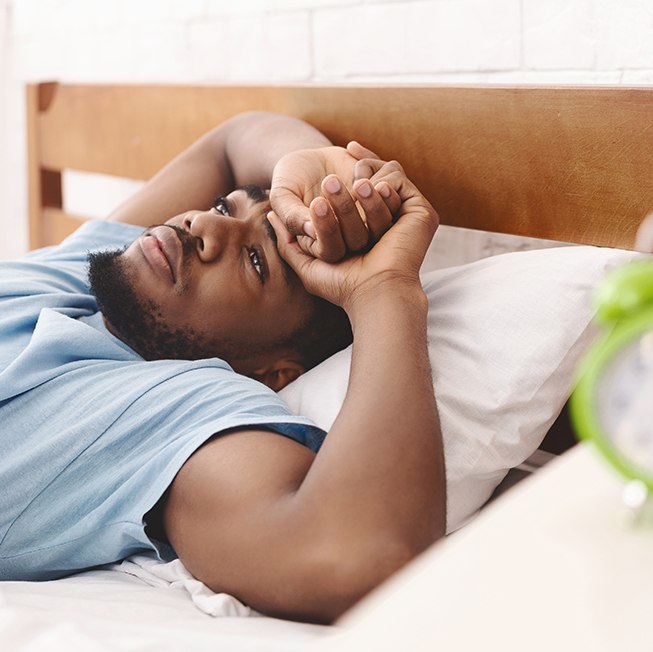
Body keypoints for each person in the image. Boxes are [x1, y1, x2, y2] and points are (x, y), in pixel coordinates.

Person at [0, 111, 444, 624]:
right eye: (222, 205)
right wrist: (316, 168)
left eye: (255, 261)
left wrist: (383, 292)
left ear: (272, 372)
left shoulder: (176, 411)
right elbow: (233, 141)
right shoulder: (79, 276)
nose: (203, 224)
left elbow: (353, 555)